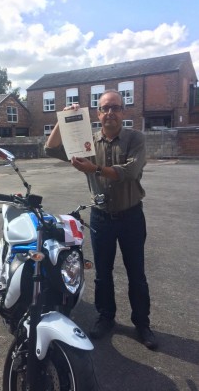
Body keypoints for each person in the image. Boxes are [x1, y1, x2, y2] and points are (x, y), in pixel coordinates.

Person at [44, 89, 158, 350]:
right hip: (101, 218)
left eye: (115, 108)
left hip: (131, 216)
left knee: (136, 274)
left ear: (123, 111)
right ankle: (106, 317)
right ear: (98, 113)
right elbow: (50, 150)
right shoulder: (87, 142)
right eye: (105, 108)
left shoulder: (135, 139)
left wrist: (94, 168)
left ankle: (142, 324)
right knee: (102, 274)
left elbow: (130, 171)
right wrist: (64, 118)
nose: (110, 113)